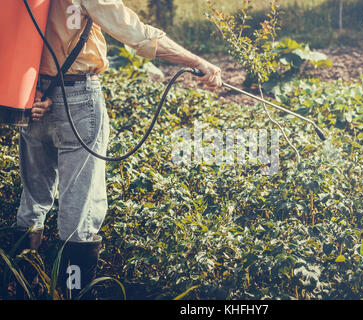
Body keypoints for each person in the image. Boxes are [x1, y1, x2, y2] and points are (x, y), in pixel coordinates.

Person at [13, 0, 222, 299]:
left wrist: (29, 92)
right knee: (80, 209)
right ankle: (74, 293)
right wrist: (196, 62)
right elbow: (137, 33)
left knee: (32, 201)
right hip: (78, 100)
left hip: (31, 99)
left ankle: (18, 284)